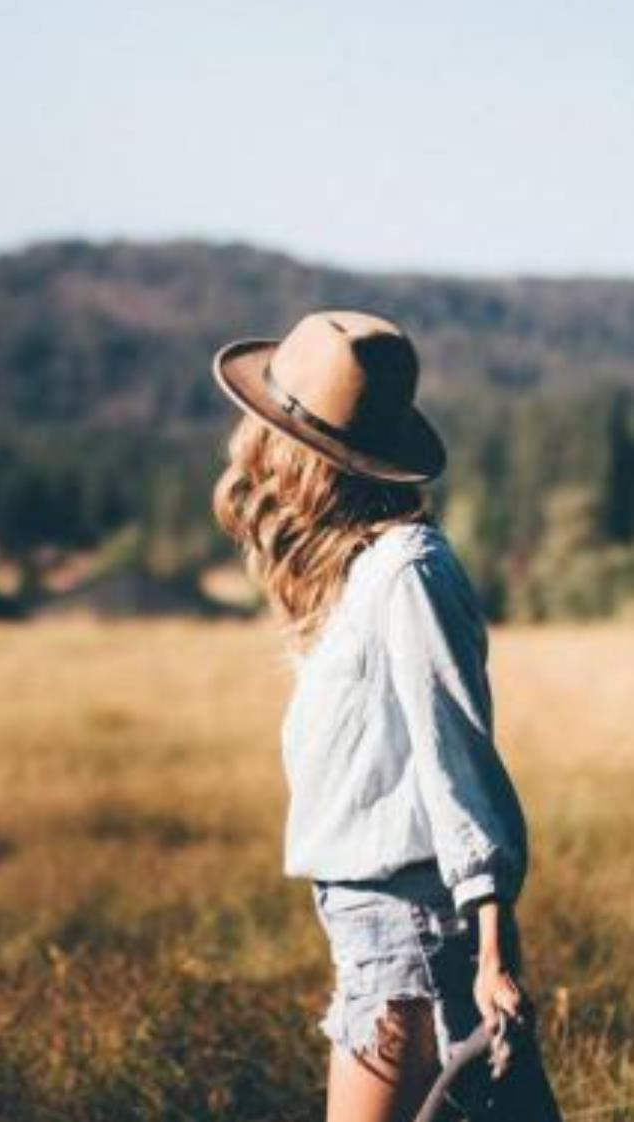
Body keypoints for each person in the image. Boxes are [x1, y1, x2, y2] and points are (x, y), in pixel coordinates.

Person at [209, 309, 559, 1121]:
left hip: (410, 929)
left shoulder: (407, 570)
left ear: (294, 453)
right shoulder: (359, 572)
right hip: (375, 924)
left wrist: (494, 951)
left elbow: (458, 755)